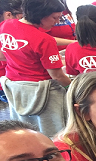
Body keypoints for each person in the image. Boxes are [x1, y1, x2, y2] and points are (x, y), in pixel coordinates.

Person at [0, 0, 70, 136]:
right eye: (55, 18)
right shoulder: (44, 40)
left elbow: (3, 55)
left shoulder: (6, 25)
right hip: (41, 91)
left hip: (15, 87)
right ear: (41, 15)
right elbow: (57, 76)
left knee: (24, 127)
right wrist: (72, 88)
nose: (57, 21)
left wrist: (20, 59)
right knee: (54, 130)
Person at [0, 0, 23, 103]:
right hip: (9, 82)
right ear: (8, 15)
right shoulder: (7, 29)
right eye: (20, 17)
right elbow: (3, 56)